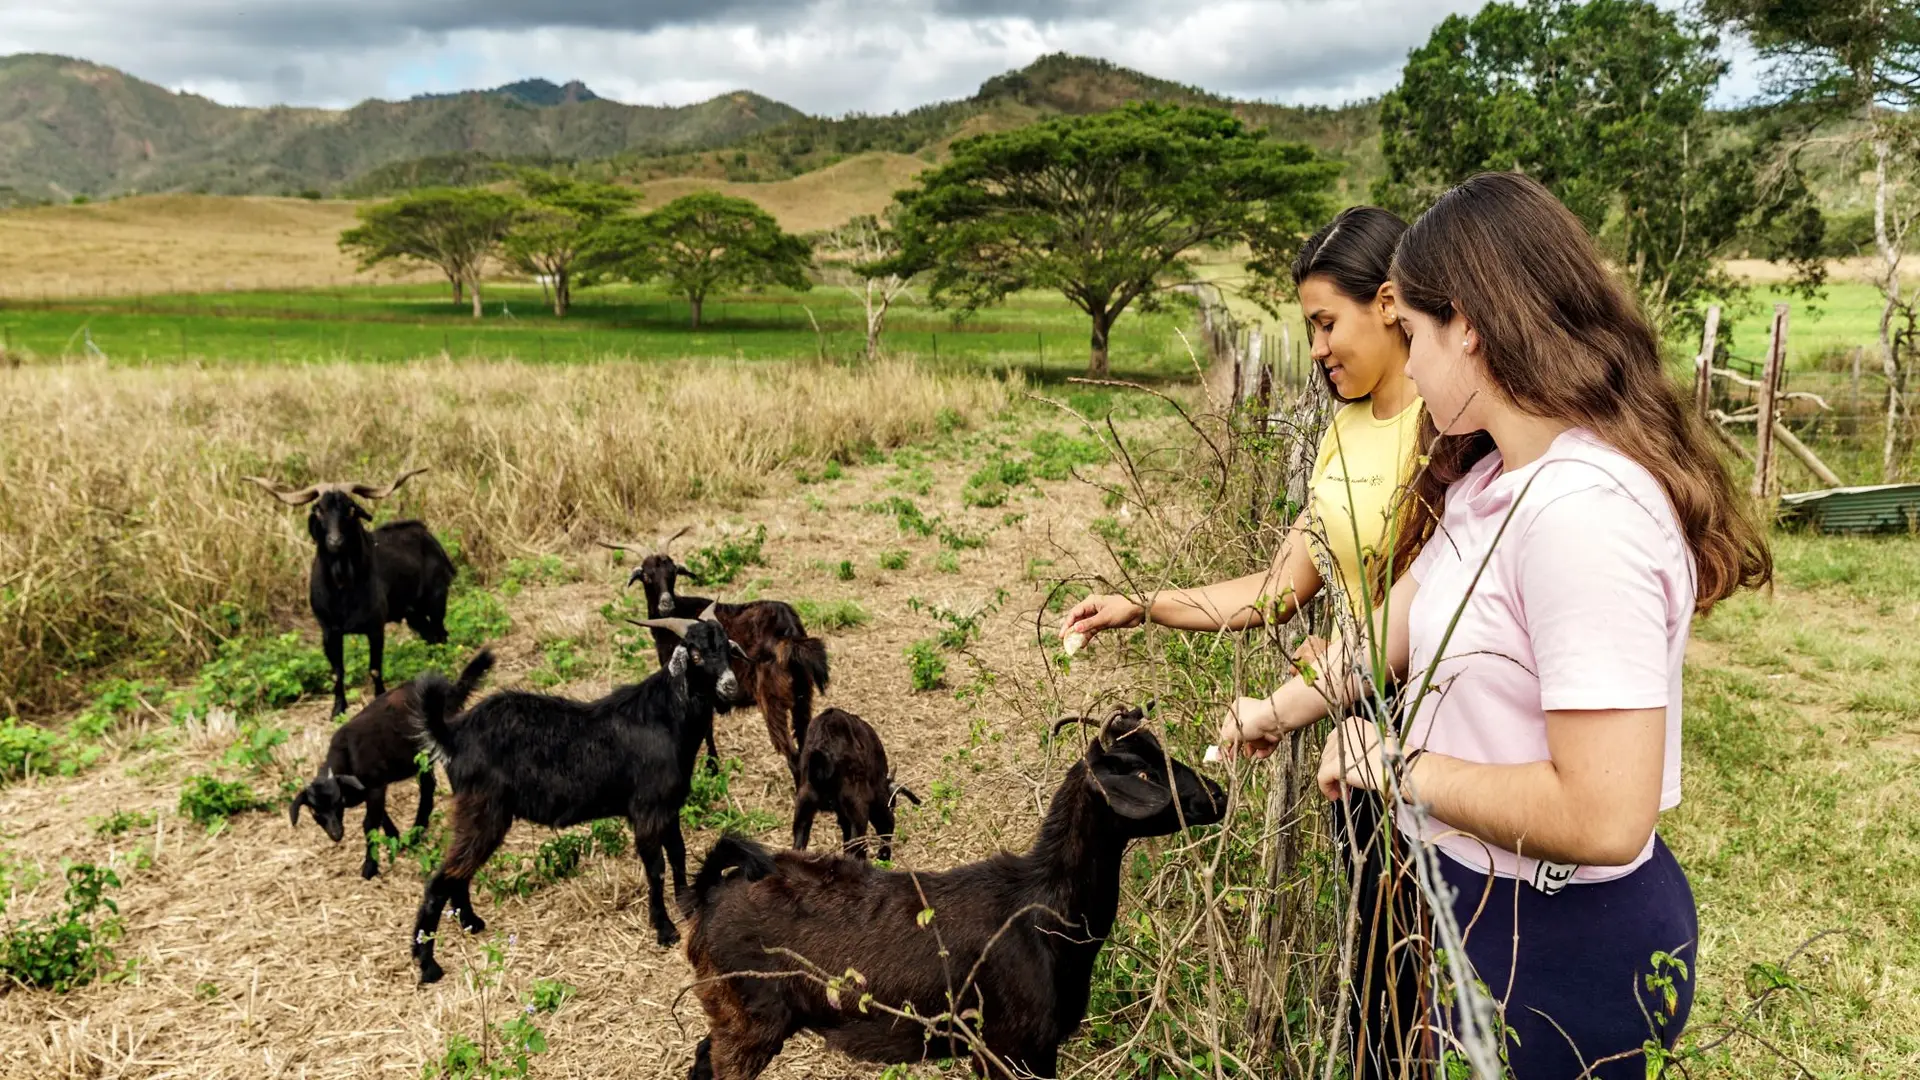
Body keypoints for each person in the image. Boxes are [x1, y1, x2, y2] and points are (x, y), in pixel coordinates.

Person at [1218, 172, 1771, 1078]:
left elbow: (1604, 815)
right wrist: (1280, 710)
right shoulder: (1490, 483)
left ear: (1466, 325)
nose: (1412, 361)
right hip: (1482, 904)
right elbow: (1389, 631)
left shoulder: (1581, 513)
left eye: (1415, 334)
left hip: (1561, 943)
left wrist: (1393, 766)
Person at [1060, 205, 1426, 1077]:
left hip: (1421, 726)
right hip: (1348, 719)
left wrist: (1291, 700)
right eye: (1309, 329)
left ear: (1388, 303)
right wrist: (1140, 605)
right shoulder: (1345, 427)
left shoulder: (1446, 432)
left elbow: (1422, 610)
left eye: (1327, 323)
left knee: (1420, 968)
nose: (1320, 348)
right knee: (1379, 968)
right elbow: (1275, 589)